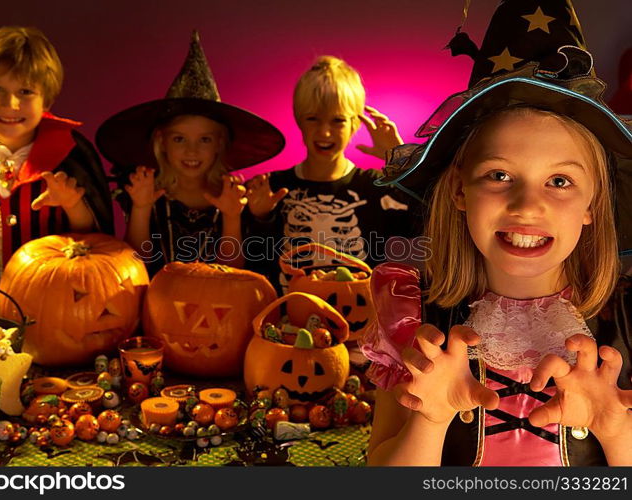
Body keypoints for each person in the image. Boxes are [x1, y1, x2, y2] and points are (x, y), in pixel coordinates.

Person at [362, 0, 632, 464]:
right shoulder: (411, 316)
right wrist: (430, 420)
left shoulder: (627, 323)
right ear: (459, 190)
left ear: (593, 204)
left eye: (560, 181)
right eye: (499, 175)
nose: (527, 205)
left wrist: (616, 430)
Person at [0, 26, 113, 290]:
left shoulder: (71, 151)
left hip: (54, 309)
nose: (11, 104)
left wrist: (74, 206)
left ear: (47, 99)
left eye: (26, 91)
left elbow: (98, 239)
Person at [96, 31, 284, 275]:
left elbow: (232, 274)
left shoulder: (231, 196)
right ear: (162, 142)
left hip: (219, 305)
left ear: (219, 144)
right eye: (179, 139)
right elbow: (135, 264)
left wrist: (231, 216)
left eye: (204, 139)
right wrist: (141, 208)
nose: (191, 150)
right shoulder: (150, 192)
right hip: (155, 304)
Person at [245, 56, 422, 294]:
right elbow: (254, 266)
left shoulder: (377, 187)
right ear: (299, 120)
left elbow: (430, 218)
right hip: (287, 318)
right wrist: (260, 218)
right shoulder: (272, 188)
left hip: (360, 317)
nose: (324, 132)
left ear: (354, 124)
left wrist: (401, 162)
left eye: (337, 121)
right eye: (312, 119)